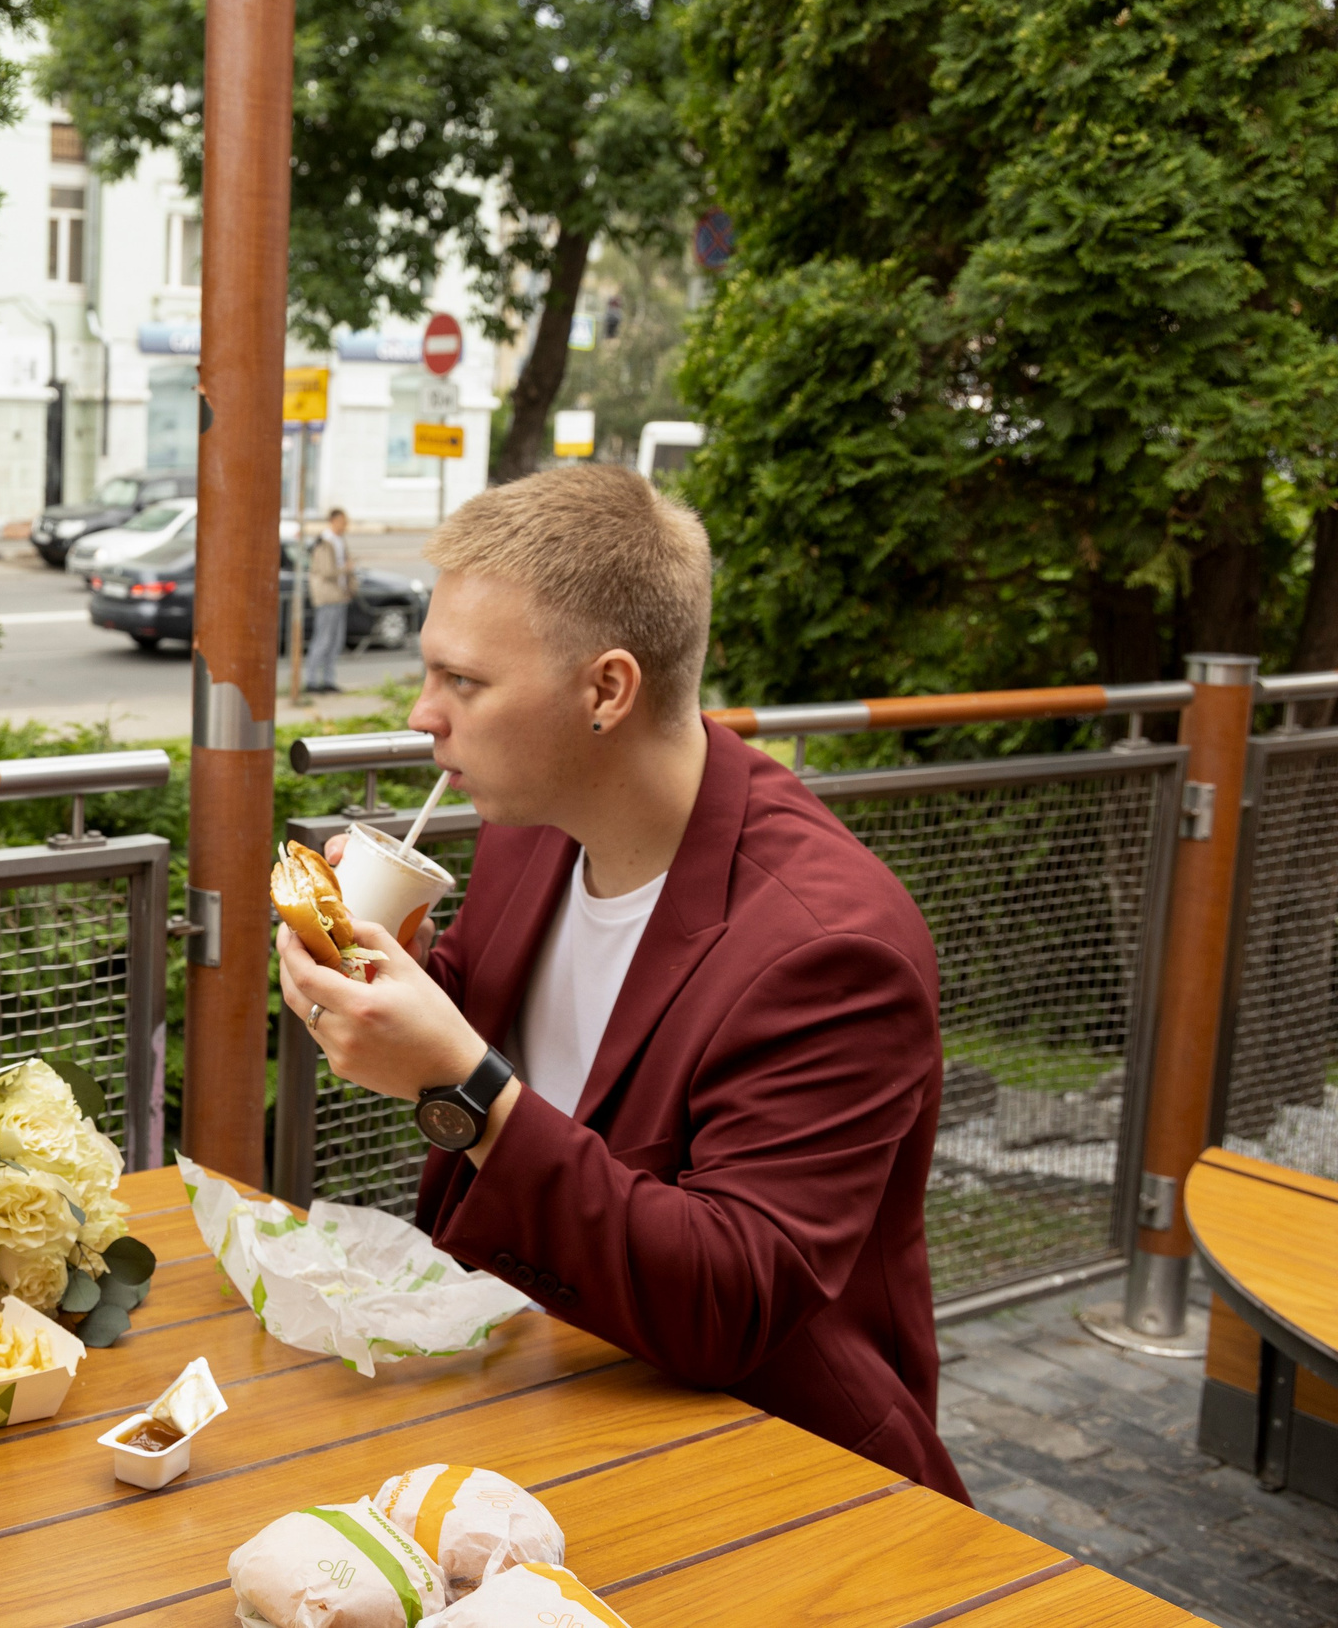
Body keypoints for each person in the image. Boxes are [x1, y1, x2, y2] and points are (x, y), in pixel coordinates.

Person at [276, 464, 967, 1503]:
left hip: (770, 1471)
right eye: (428, 673)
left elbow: (729, 1302)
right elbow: (519, 1029)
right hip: (537, 1392)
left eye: (464, 681)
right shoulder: (536, 823)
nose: (424, 715)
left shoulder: (832, 949)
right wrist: (389, 974)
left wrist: (459, 1085)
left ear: (606, 690)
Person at [305, 507, 356, 693]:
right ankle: (311, 681)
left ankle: (328, 680)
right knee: (323, 639)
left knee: (335, 641)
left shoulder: (339, 540)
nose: (345, 526)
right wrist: (346, 568)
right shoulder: (325, 542)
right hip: (328, 597)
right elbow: (326, 571)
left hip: (340, 596)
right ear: (334, 521)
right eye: (342, 522)